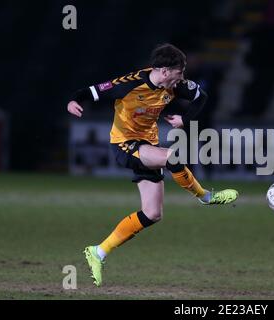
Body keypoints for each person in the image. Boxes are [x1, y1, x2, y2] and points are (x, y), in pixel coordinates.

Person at [67, 43, 239, 286]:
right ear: (165, 71)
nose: (183, 77)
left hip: (147, 145)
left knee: (152, 213)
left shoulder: (175, 86)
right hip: (125, 144)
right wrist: (73, 101)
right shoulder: (129, 84)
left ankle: (98, 251)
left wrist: (185, 119)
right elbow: (91, 90)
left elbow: (202, 97)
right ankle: (205, 196)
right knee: (172, 157)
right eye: (180, 72)